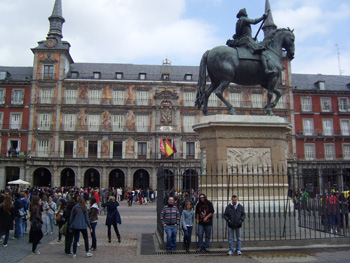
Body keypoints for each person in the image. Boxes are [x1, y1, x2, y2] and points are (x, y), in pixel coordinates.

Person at [227, 8, 273, 75]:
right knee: (262, 51)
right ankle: (266, 69)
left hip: (242, 40)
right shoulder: (244, 19)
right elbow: (254, 21)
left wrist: (252, 38)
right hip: (246, 40)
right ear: (244, 14)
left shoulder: (239, 21)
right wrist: (263, 17)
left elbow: (240, 34)